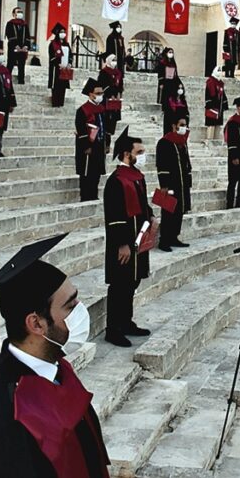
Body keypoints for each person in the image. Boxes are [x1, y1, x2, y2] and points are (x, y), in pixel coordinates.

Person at [0, 236, 109, 478]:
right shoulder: (10, 418)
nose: (81, 311)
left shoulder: (57, 367)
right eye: (70, 305)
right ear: (36, 323)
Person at [104, 127, 155, 347]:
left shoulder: (137, 177)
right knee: (119, 285)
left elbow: (142, 204)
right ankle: (113, 329)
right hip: (124, 243)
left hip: (139, 238)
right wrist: (122, 244)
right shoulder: (116, 180)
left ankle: (126, 322)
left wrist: (151, 217)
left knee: (132, 282)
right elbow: (114, 216)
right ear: (127, 154)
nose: (142, 155)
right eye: (139, 151)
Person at [156, 117, 192, 251]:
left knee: (179, 211)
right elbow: (161, 164)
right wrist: (164, 185)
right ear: (174, 126)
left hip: (182, 184)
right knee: (168, 211)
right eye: (181, 124)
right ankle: (164, 240)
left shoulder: (182, 142)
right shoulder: (165, 142)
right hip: (170, 184)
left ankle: (174, 236)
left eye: (185, 125)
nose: (184, 127)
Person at [75, 79, 106, 202]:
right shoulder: (83, 110)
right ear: (90, 94)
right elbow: (81, 129)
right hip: (88, 147)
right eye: (97, 93)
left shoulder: (102, 109)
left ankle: (94, 194)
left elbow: (105, 127)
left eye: (101, 93)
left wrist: (106, 143)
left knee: (96, 172)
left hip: (99, 145)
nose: (100, 96)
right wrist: (86, 146)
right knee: (87, 172)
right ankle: (85, 196)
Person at [98, 53, 124, 152]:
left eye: (116, 60)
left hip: (115, 101)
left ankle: (108, 142)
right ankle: (106, 144)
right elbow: (101, 85)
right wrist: (110, 93)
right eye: (113, 60)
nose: (114, 62)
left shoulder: (118, 73)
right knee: (106, 121)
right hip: (106, 100)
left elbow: (120, 85)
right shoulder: (104, 72)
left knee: (112, 121)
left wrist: (119, 93)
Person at [4, 7, 31, 84]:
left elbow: (28, 36)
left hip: (22, 50)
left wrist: (26, 46)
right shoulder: (10, 23)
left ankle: (21, 82)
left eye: (21, 12)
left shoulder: (25, 24)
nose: (20, 13)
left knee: (21, 66)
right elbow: (9, 35)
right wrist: (15, 46)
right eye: (18, 12)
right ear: (14, 14)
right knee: (10, 64)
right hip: (13, 49)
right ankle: (6, 81)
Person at [47, 24, 71, 108]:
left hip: (65, 68)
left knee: (63, 86)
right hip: (56, 68)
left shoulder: (67, 44)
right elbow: (51, 56)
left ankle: (61, 102)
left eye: (64, 32)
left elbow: (70, 55)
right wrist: (58, 64)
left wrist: (69, 64)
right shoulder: (53, 44)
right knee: (56, 85)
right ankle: (55, 102)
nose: (63, 34)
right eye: (61, 32)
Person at [204, 68, 228, 141]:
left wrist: (225, 103)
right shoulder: (210, 82)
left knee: (217, 125)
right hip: (212, 107)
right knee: (211, 125)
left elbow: (223, 94)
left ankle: (216, 141)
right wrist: (210, 105)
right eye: (218, 71)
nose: (220, 72)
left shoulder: (220, 83)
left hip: (219, 107)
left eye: (220, 71)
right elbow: (208, 95)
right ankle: (210, 140)